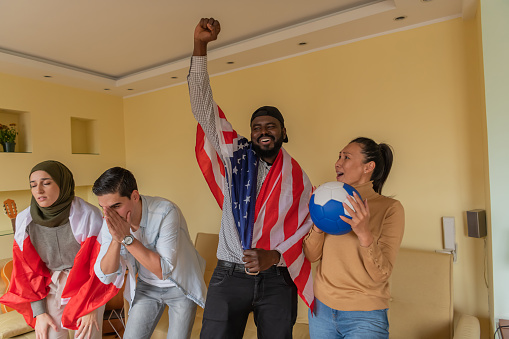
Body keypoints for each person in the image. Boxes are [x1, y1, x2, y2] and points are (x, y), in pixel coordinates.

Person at [189, 18, 314, 339]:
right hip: (229, 276)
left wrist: (275, 256)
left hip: (276, 280)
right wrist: (200, 47)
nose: (262, 130)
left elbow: (307, 230)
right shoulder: (237, 157)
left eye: (270, 125)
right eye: (256, 126)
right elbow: (203, 108)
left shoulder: (299, 180)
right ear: (250, 134)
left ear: (284, 132)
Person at [303, 137, 405, 339]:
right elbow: (311, 255)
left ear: (368, 167)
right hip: (321, 310)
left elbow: (381, 274)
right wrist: (317, 221)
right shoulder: (326, 199)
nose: (338, 162)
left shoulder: (390, 209)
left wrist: (364, 233)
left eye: (346, 157)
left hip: (365, 317)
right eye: (339, 156)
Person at [0, 160, 111, 339]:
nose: (39, 190)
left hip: (86, 288)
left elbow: (101, 264)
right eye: (33, 185)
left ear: (62, 183)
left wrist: (92, 306)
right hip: (50, 288)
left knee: (86, 336)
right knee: (49, 335)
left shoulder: (89, 216)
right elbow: (26, 272)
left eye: (46, 183)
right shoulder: (24, 221)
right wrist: (39, 312)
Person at [93, 167, 207, 339]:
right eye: (104, 208)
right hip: (147, 287)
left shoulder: (166, 211)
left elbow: (163, 270)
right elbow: (105, 274)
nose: (110, 215)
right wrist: (117, 239)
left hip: (179, 286)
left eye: (116, 206)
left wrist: (126, 238)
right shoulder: (110, 219)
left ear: (134, 196)